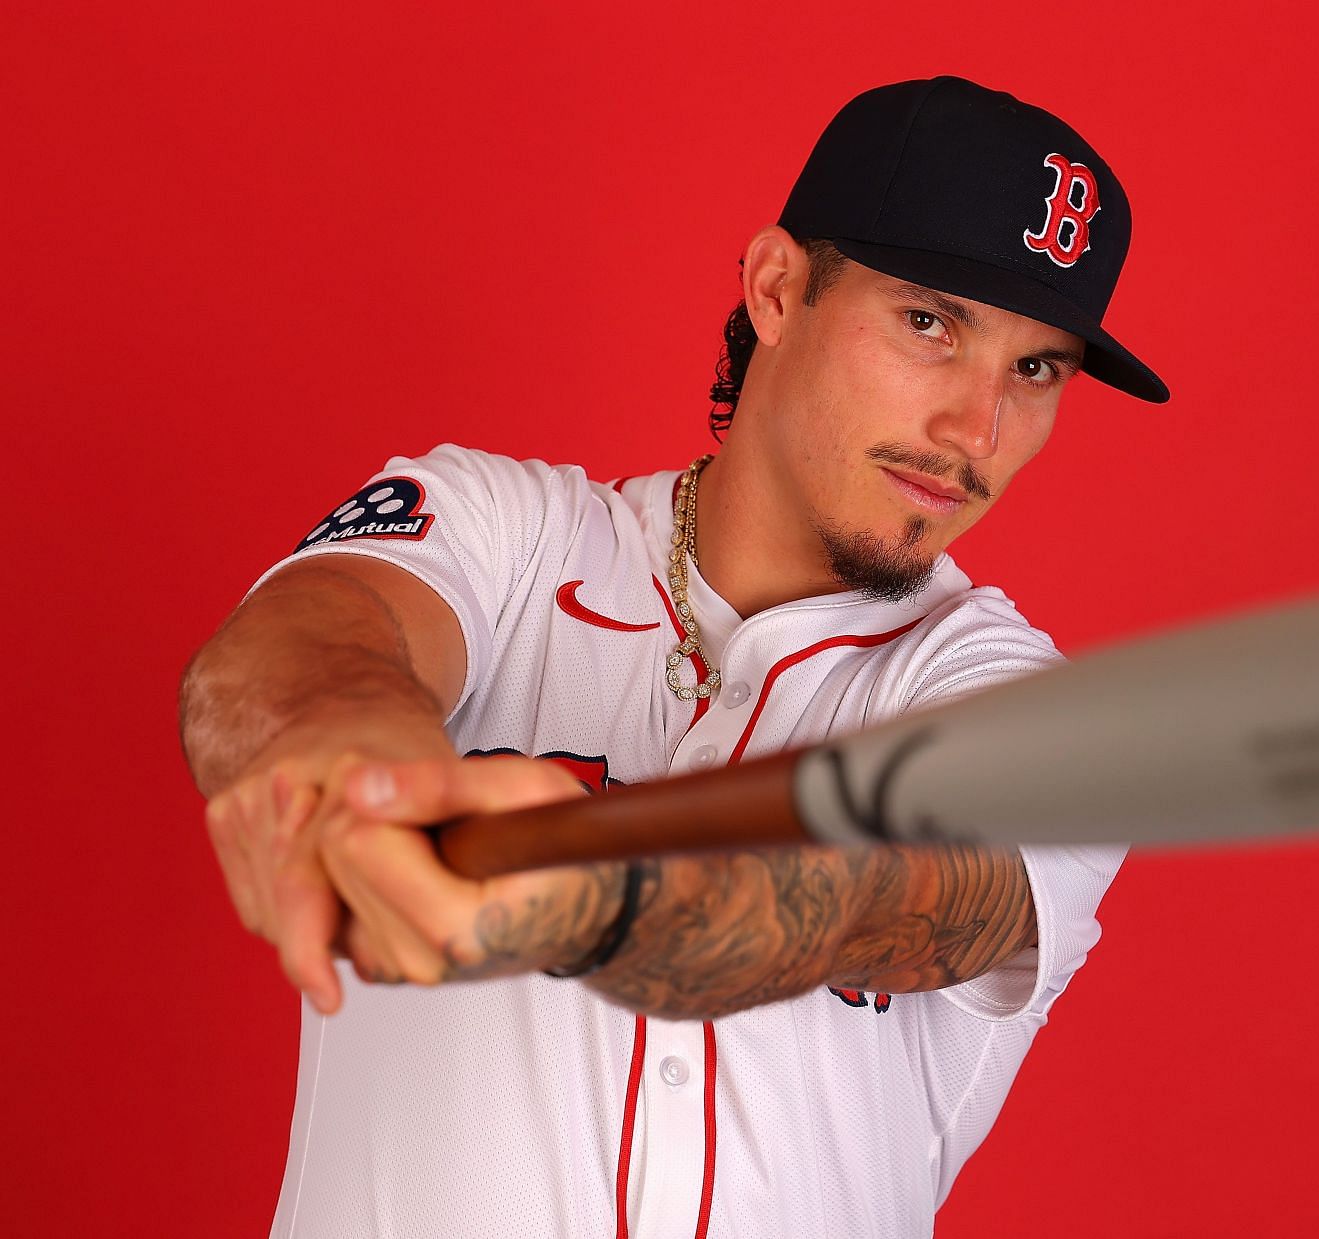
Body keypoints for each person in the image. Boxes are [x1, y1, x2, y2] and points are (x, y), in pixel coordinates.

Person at [181, 75, 1169, 1238]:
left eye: (1035, 369)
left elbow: (896, 899)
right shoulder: (506, 533)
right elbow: (304, 645)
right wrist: (355, 761)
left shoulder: (1005, 697)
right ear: (778, 289)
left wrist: (595, 900)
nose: (978, 431)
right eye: (929, 323)